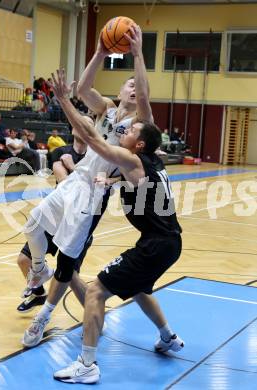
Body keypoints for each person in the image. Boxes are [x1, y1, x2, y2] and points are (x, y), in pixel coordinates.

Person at [21, 24, 152, 348]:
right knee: (33, 225)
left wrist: (137, 54)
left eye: (138, 84)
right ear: (120, 90)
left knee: (67, 260)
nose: (134, 87)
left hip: (95, 191)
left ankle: (42, 318)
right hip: (76, 178)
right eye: (130, 83)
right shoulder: (106, 108)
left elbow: (146, 96)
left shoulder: (140, 125)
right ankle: (38, 269)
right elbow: (83, 90)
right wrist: (100, 51)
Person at [51, 70, 184, 384]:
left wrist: (62, 100)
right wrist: (109, 179)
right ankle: (167, 336)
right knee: (136, 287)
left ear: (137, 144)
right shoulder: (152, 159)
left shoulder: (132, 159)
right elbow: (129, 178)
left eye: (130, 130)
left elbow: (95, 140)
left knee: (96, 290)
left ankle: (86, 364)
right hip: (169, 243)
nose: (124, 129)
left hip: (155, 244)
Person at [16, 126, 90, 313]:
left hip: (78, 223)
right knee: (24, 260)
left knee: (70, 276)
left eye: (88, 123)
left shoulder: (95, 158)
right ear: (74, 128)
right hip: (55, 216)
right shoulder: (60, 152)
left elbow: (88, 189)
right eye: (81, 122)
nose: (84, 126)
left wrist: (73, 167)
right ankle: (39, 293)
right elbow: (64, 182)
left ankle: (93, 314)